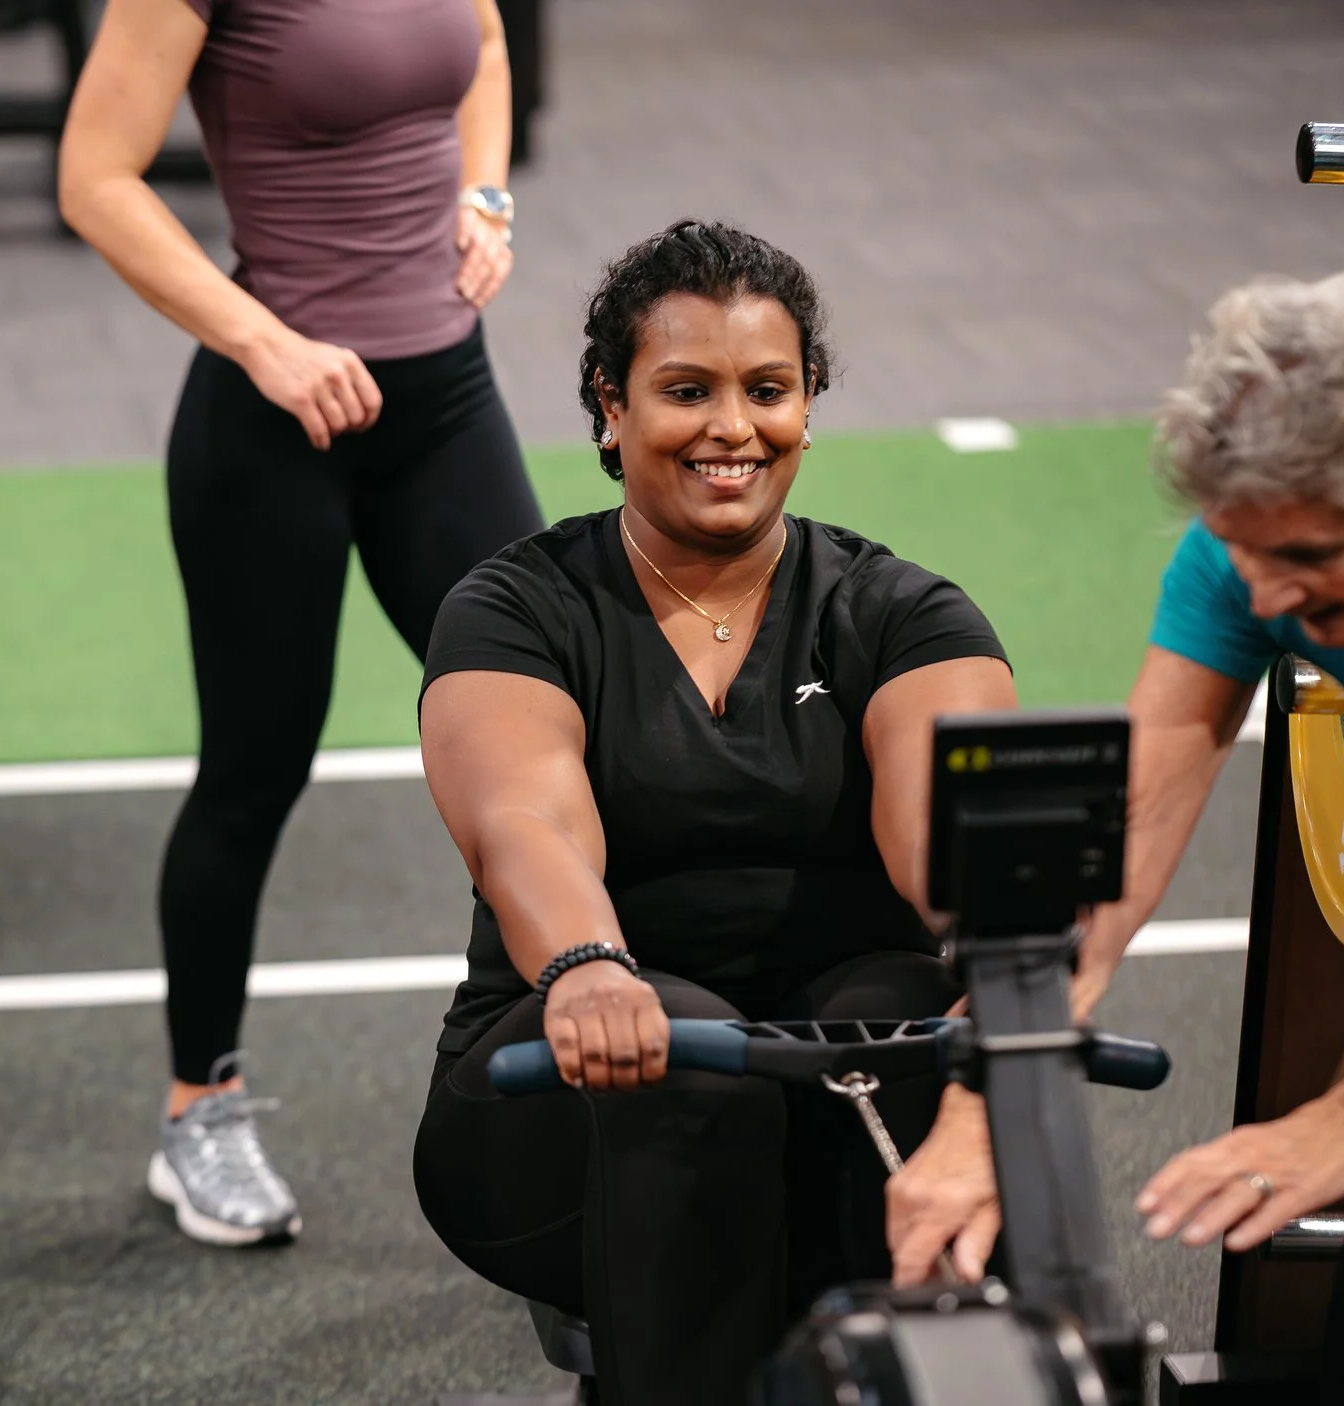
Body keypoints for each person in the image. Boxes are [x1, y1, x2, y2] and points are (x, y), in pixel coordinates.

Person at [410, 221, 1017, 1406]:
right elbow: (524, 821)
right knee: (685, 1068)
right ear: (611, 405)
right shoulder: (516, 606)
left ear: (807, 405)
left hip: (825, 1065)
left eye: (767, 391)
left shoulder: (904, 613)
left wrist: (1005, 1001)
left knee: (908, 1018)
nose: (731, 428)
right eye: (685, 390)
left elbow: (947, 847)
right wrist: (585, 964)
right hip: (567, 1084)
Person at [885, 271, 1344, 1404]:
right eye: (1246, 554)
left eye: (1314, 557)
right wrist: (985, 1104)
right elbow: (1110, 840)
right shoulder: (1254, 559)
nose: (1268, 598)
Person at [57, 0, 545, 1247]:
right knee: (253, 771)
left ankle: (562, 1067)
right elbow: (95, 180)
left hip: (446, 402)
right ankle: (197, 1107)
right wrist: (262, 342)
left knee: (556, 739)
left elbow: (483, 50)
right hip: (278, 422)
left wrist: (484, 195)